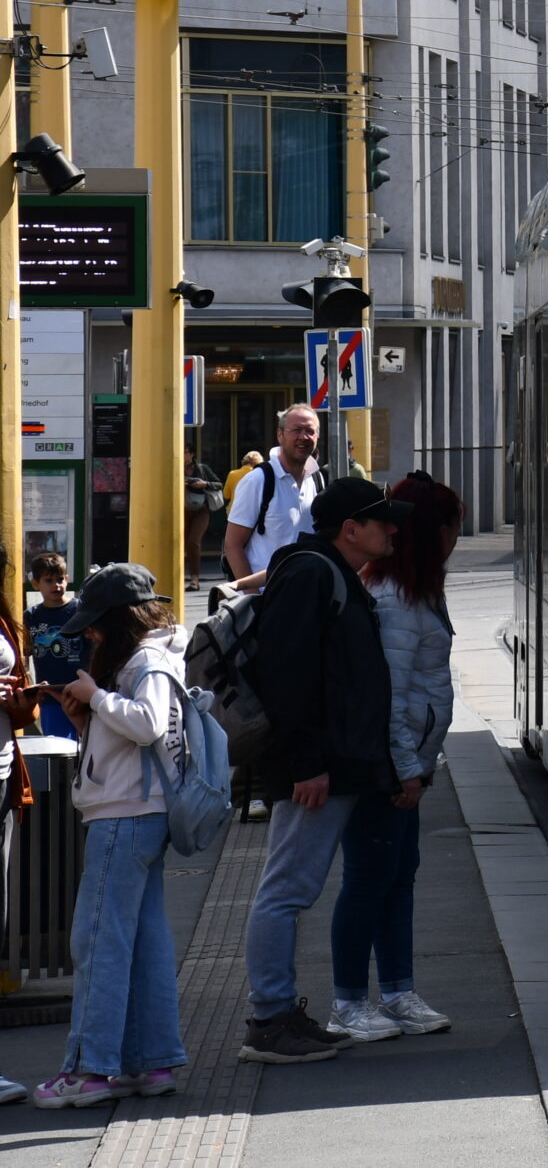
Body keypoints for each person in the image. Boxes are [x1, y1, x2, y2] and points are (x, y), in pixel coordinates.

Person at [238, 478, 407, 1065]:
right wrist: (308, 762)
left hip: (337, 764)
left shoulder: (327, 571)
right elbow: (288, 674)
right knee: (286, 890)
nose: (392, 528)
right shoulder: (313, 573)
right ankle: (270, 1020)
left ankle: (279, 1015)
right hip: (317, 768)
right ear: (349, 529)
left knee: (291, 889)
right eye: (381, 520)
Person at [31, 566, 186, 1109]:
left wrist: (95, 697)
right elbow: (133, 739)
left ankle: (88, 1070)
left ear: (119, 621)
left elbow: (144, 724)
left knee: (96, 939)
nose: (90, 635)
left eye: (96, 626)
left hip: (123, 815)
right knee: (144, 943)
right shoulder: (157, 656)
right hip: (143, 811)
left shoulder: (145, 661)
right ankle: (153, 1063)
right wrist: (86, 717)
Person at [327, 472, 460, 1042]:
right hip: (386, 766)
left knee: (397, 877)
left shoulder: (414, 591)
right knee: (368, 879)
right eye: (452, 525)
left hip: (406, 763)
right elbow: (392, 695)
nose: (457, 535)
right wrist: (407, 769)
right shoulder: (398, 599)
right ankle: (348, 1002)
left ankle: (399, 991)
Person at [224, 405, 324, 584]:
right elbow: (233, 545)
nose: (303, 437)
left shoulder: (316, 480)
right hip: (268, 597)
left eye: (310, 431)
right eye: (296, 430)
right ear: (280, 435)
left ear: (317, 436)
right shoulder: (257, 480)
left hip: (309, 595)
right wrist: (252, 597)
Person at [26, 553, 82, 742]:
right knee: (58, 745)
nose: (56, 585)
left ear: (66, 579)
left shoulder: (79, 610)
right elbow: (25, 652)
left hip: (81, 692)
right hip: (50, 696)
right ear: (36, 584)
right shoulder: (32, 615)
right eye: (48, 580)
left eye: (60, 579)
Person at [183, 447, 224, 590]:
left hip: (201, 510)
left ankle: (195, 580)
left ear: (192, 454)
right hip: (182, 511)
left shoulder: (202, 468)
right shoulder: (175, 467)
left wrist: (204, 484)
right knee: (180, 544)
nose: (183, 455)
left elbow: (219, 484)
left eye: (185, 452)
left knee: (193, 542)